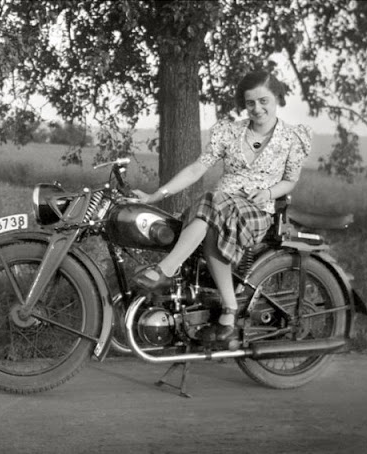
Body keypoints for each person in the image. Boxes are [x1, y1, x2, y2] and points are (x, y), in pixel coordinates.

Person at [130, 69, 312, 341]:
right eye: (250, 103)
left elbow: (289, 181)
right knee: (212, 206)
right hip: (218, 208)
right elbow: (196, 169)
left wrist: (269, 192)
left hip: (255, 212)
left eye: (263, 101)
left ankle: (165, 270)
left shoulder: (292, 138)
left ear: (277, 98)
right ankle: (228, 308)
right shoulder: (230, 132)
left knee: (211, 202)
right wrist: (155, 195)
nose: (257, 108)